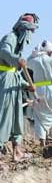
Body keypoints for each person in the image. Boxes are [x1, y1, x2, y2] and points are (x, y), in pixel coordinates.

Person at [0, 13, 39, 163]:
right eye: (31, 31)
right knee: (4, 115)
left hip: (13, 82)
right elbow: (3, 52)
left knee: (16, 117)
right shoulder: (10, 37)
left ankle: (17, 152)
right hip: (5, 82)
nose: (32, 34)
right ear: (24, 29)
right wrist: (17, 60)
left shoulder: (18, 43)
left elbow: (15, 72)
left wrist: (26, 86)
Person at [27, 40, 52, 146]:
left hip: (39, 91)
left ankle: (42, 143)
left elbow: (27, 62)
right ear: (50, 52)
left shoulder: (35, 61)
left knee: (40, 115)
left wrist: (35, 52)